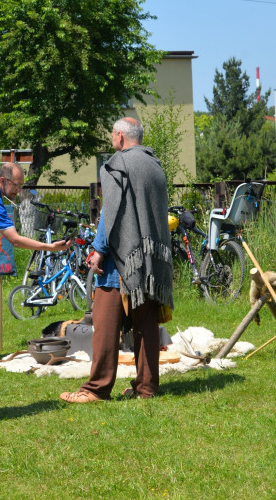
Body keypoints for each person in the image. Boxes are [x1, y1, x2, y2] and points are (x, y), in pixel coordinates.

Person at [60, 117, 174, 403]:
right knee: (145, 323)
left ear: (121, 137)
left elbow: (110, 213)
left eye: (112, 134)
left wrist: (99, 248)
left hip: (121, 260)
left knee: (105, 321)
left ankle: (96, 389)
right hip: (149, 261)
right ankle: (146, 388)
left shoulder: (117, 164)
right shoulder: (155, 166)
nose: (112, 138)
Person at [0, 163, 71, 362]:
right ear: (3, 181)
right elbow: (15, 239)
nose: (19, 191)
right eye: (17, 185)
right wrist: (50, 247)